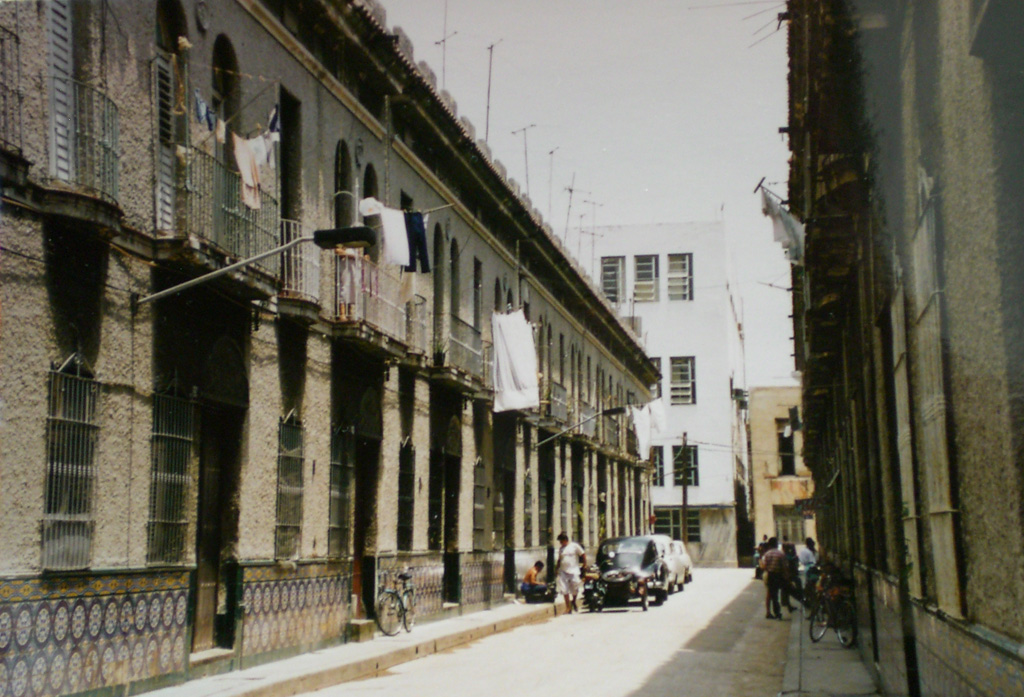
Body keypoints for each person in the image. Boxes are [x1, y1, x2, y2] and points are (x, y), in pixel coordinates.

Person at [555, 532, 586, 614]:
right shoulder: (561, 549)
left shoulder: (574, 546)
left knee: (575, 588)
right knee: (564, 589)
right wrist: (557, 568)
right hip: (563, 571)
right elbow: (559, 559)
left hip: (574, 570)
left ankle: (573, 601)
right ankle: (568, 607)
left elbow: (582, 554)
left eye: (561, 541)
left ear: (565, 540)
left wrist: (584, 564)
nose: (561, 543)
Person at [760, 537, 789, 619]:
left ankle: (773, 612)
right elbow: (784, 567)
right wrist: (786, 576)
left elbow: (763, 566)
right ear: (776, 544)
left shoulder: (767, 554)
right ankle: (778, 611)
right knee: (780, 592)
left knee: (772, 594)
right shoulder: (780, 554)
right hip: (778, 575)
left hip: (770, 575)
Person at [781, 541, 802, 612]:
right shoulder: (787, 556)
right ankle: (800, 599)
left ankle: (786, 603)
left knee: (786, 589)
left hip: (789, 574)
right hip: (790, 574)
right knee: (790, 589)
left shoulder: (787, 555)